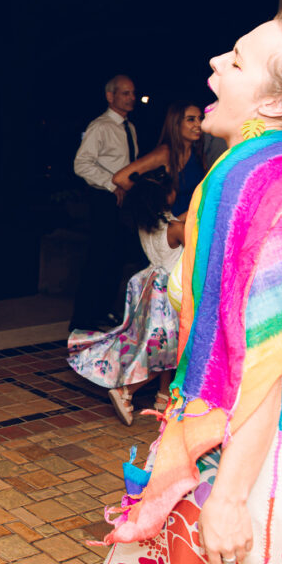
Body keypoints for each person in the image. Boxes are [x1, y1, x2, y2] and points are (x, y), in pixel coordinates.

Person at [91, 2, 282, 564]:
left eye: (237, 61)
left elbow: (261, 355)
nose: (216, 62)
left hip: (266, 451)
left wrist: (230, 498)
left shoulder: (248, 181)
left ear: (274, 105)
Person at [67, 167, 183, 425]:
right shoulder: (176, 228)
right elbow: (192, 238)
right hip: (169, 293)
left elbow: (174, 224)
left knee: (162, 345)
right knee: (169, 349)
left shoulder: (148, 224)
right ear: (168, 195)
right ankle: (125, 391)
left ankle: (163, 397)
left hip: (150, 288)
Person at [71, 74, 140, 331]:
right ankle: (83, 318)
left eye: (133, 93)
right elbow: (81, 163)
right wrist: (113, 184)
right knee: (98, 258)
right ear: (110, 96)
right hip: (104, 199)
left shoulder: (129, 128)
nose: (132, 98)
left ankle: (103, 311)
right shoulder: (100, 126)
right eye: (126, 93)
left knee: (116, 258)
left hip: (125, 203)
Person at [111, 101, 205, 217]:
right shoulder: (166, 153)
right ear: (176, 124)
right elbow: (120, 178)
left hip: (192, 222)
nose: (199, 124)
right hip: (172, 227)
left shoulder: (197, 152)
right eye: (191, 119)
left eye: (200, 118)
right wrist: (152, 204)